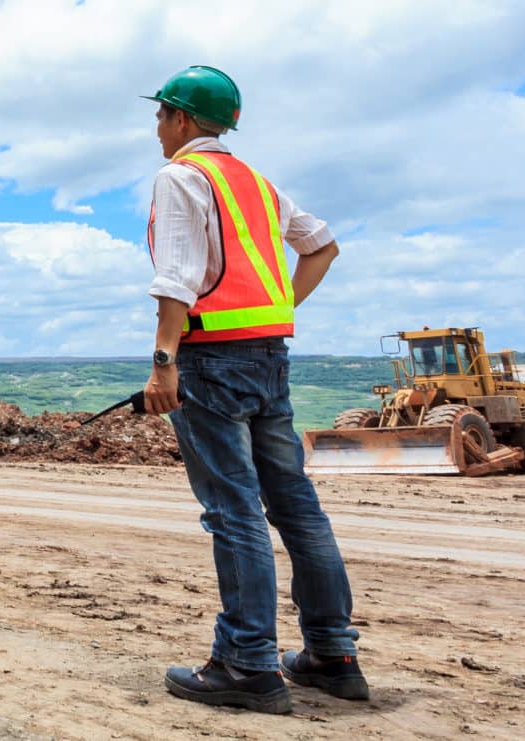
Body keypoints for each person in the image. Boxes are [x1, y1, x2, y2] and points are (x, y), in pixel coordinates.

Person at [139, 65, 367, 714]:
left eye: (161, 114)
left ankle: (246, 663)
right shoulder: (256, 183)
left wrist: (164, 362)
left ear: (182, 119)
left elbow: (177, 279)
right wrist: (278, 308)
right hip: (269, 357)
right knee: (296, 505)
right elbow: (321, 246)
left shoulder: (181, 175)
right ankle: (332, 652)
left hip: (210, 361)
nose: (156, 127)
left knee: (233, 509)